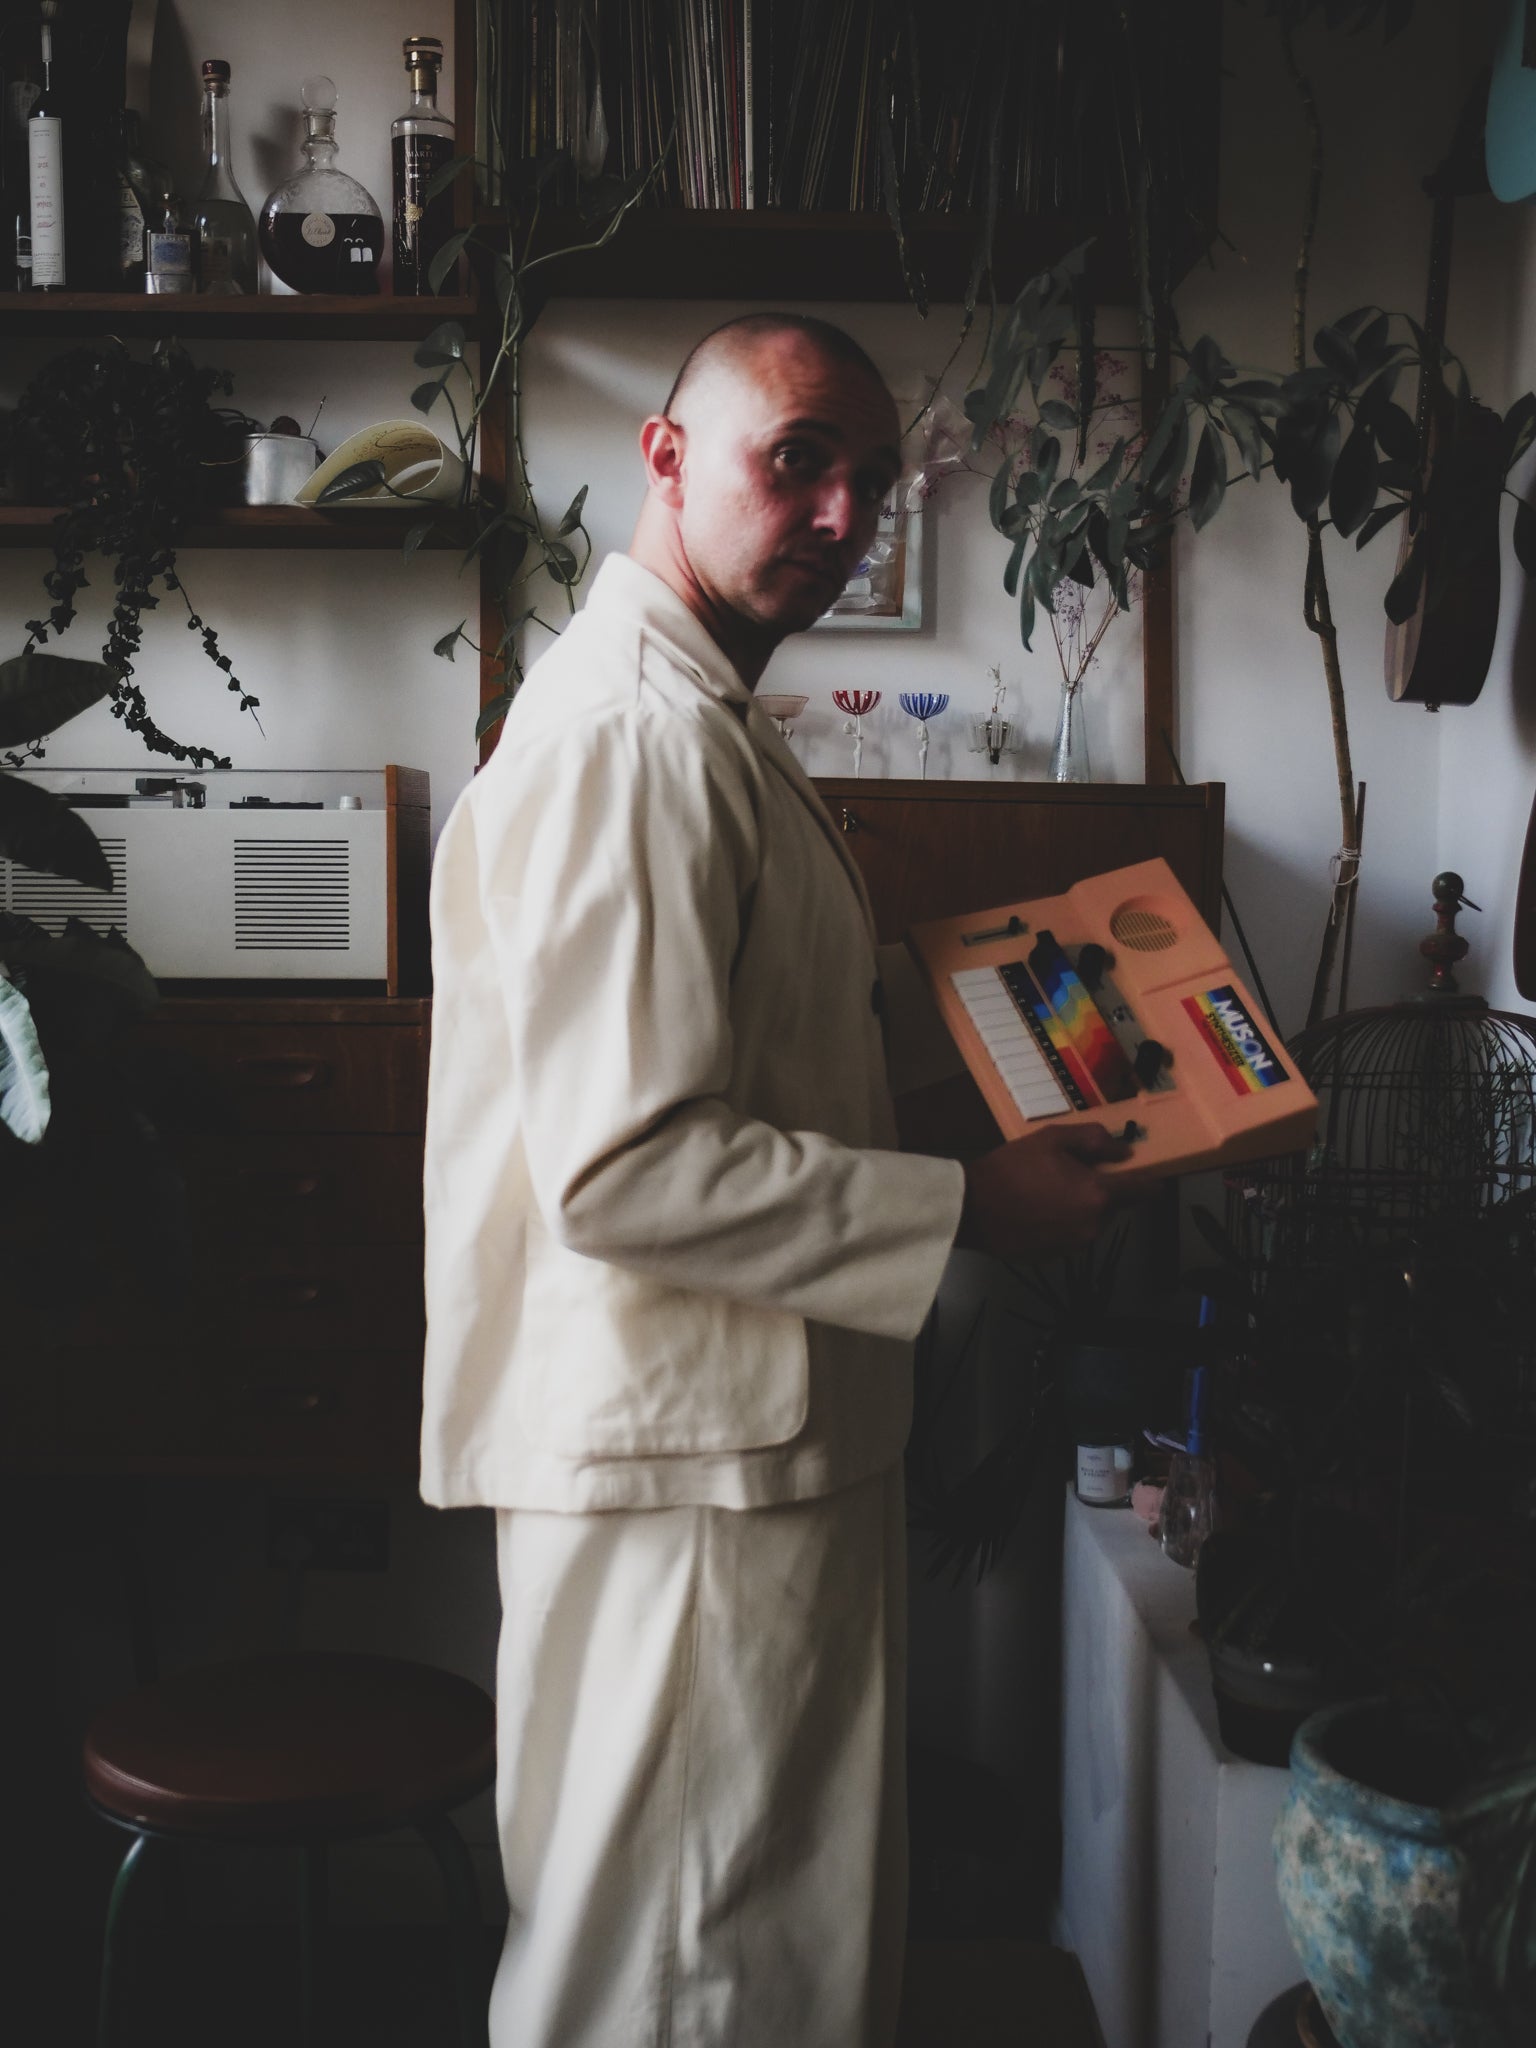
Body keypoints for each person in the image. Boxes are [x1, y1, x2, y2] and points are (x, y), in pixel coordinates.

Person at [420, 312, 1129, 2048]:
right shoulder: (636, 740)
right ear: (666, 458)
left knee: (754, 1955)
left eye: (873, 483)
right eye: (796, 457)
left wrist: (959, 1124)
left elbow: (734, 1090)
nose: (839, 513)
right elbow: (626, 1164)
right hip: (691, 1477)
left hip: (746, 1447)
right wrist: (969, 1210)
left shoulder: (704, 722)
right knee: (682, 1976)